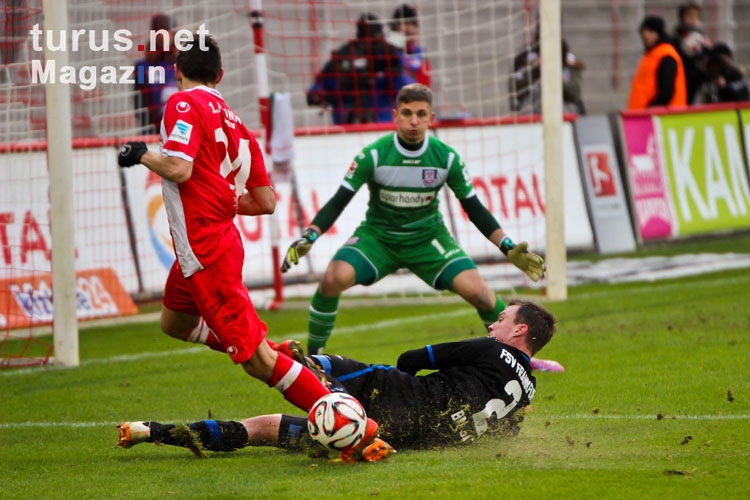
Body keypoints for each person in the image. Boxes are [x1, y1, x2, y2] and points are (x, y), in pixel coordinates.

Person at [116, 34, 387, 462]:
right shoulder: (237, 123)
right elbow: (265, 201)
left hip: (206, 250)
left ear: (178, 73)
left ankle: (358, 429)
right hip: (212, 246)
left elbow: (180, 169)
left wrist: (141, 153)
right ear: (220, 75)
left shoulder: (183, 103)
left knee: (258, 364)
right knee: (174, 320)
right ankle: (264, 346)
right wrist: (223, 196)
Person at [282, 83, 561, 372]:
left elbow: (474, 207)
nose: (413, 120)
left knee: (480, 293)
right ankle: (313, 362)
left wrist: (507, 246)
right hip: (379, 239)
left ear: (430, 117)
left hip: (428, 240)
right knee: (331, 279)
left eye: (420, 114)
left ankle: (517, 361)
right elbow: (339, 200)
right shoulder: (374, 155)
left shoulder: (446, 157)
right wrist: (310, 234)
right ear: (395, 116)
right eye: (407, 113)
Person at [117, 299, 556, 456]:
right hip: (397, 437)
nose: (492, 325)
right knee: (267, 430)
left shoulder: (489, 349)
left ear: (519, 331)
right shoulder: (528, 392)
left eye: (501, 320)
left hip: (391, 394)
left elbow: (409, 358)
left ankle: (151, 431)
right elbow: (498, 438)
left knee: (306, 362)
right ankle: (153, 431)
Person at [306, 13, 412, 124]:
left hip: (383, 125)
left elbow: (408, 90)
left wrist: (394, 70)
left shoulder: (388, 55)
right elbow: (315, 93)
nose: (369, 45)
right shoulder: (345, 57)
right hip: (347, 127)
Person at [508, 28, 587, 115]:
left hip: (565, 114)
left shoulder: (569, 67)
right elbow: (515, 90)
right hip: (534, 116)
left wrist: (559, 80)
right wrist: (535, 70)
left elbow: (575, 94)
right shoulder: (529, 66)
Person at [628, 15, 687, 110]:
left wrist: (649, 110)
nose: (645, 40)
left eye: (648, 34)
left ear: (657, 34)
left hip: (662, 119)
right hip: (645, 117)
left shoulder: (666, 56)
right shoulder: (651, 55)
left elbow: (666, 92)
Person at [133, 14, 179, 134]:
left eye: (168, 31)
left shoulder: (182, 65)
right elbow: (139, 103)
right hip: (153, 132)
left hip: (180, 131)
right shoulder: (142, 67)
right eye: (161, 31)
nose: (164, 36)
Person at [671, 2, 712, 105]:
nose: (693, 19)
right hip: (684, 79)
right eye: (690, 15)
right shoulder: (677, 36)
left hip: (699, 80)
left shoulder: (701, 36)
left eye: (696, 16)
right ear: (682, 17)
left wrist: (707, 50)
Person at [388, 4, 431, 87]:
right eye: (406, 24)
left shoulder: (419, 53)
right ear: (394, 27)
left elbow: (423, 86)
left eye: (413, 24)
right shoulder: (386, 52)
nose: (410, 29)